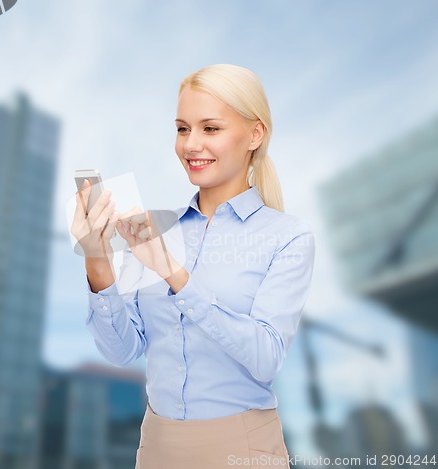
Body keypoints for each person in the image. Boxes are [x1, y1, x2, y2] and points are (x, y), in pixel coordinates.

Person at [71, 64, 315, 469]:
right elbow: (123, 351)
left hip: (243, 448)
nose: (191, 144)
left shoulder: (287, 236)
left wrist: (176, 275)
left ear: (255, 134)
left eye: (210, 129)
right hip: (157, 446)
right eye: (183, 129)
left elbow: (266, 356)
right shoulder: (155, 230)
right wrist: (98, 261)